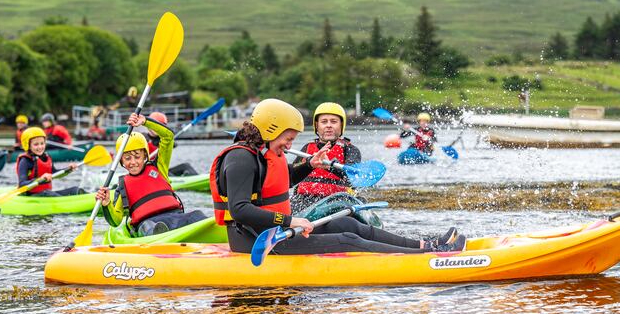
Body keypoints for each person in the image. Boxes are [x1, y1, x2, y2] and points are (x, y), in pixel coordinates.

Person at [210, 98, 465, 255]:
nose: (290, 146)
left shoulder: (263, 154)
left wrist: (310, 164)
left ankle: (424, 245)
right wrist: (290, 221)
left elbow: (283, 181)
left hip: (272, 230)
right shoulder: (240, 159)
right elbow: (240, 210)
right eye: (288, 139)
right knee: (347, 239)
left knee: (351, 225)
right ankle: (427, 258)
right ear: (271, 129)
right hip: (255, 240)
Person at [95, 113, 206, 236]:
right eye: (127, 158)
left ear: (145, 156)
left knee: (197, 215)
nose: (133, 162)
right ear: (121, 161)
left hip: (176, 217)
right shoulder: (122, 187)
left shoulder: (159, 167)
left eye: (137, 157)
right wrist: (106, 204)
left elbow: (168, 136)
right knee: (148, 227)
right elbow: (116, 221)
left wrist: (146, 122)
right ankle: (159, 235)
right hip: (148, 224)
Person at [291, 102, 361, 212]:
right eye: (324, 122)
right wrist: (308, 164)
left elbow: (353, 178)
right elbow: (292, 174)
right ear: (317, 126)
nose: (329, 125)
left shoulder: (350, 150)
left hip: (337, 202)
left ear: (341, 125)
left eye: (334, 122)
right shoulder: (307, 148)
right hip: (304, 201)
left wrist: (330, 167)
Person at [16, 127, 82, 196]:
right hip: (31, 196)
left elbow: (54, 174)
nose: (40, 147)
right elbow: (22, 184)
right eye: (36, 144)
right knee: (48, 193)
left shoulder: (47, 157)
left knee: (75, 190)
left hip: (47, 193)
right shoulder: (25, 161)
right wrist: (40, 179)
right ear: (28, 146)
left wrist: (68, 169)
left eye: (42, 143)